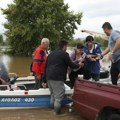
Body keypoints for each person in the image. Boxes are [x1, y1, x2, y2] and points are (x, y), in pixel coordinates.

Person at [43, 40, 80, 115]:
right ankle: (56, 115)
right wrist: (79, 65)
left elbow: (45, 67)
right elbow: (72, 65)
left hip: (48, 77)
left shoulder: (51, 54)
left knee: (53, 95)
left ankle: (50, 113)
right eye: (66, 46)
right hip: (57, 77)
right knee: (58, 98)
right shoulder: (64, 54)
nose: (66, 48)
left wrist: (44, 80)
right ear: (64, 46)